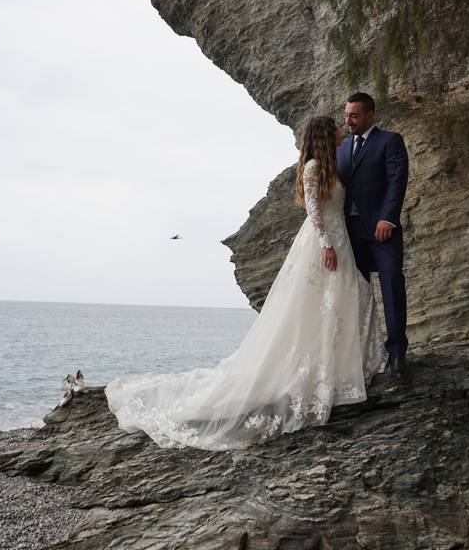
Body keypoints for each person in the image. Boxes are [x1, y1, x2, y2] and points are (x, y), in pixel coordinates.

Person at [104, 116, 387, 450]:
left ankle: (346, 366)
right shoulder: (312, 167)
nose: (342, 131)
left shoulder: (331, 167)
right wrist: (326, 244)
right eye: (335, 129)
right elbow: (313, 209)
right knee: (321, 304)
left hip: (340, 239)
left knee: (353, 296)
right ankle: (324, 371)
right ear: (325, 136)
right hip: (323, 242)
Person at [338, 93, 410, 379]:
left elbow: (397, 180)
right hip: (350, 232)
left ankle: (397, 353)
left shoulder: (390, 140)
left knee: (392, 282)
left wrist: (388, 218)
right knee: (357, 292)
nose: (348, 121)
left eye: (354, 115)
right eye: (346, 116)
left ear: (370, 115)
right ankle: (362, 354)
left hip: (383, 230)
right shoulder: (341, 148)